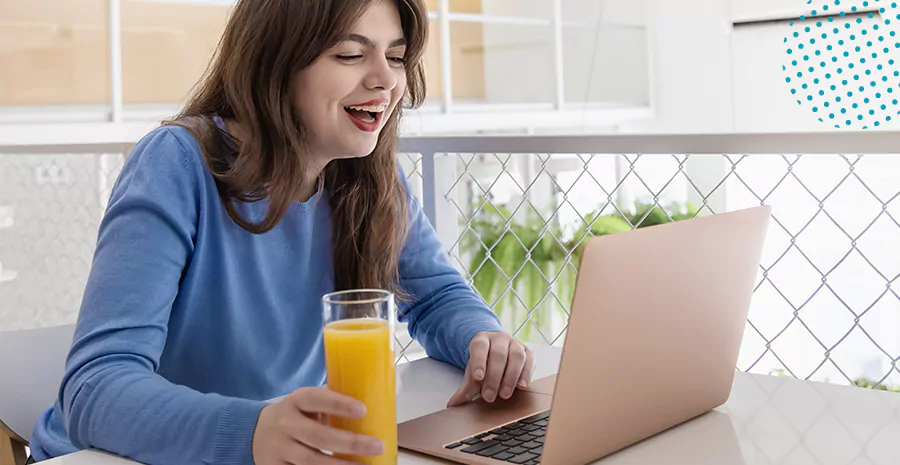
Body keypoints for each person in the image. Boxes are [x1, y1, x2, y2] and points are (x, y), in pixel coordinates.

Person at [27, 0, 535, 463]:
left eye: (397, 57)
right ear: (277, 63)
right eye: (349, 55)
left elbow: (436, 296)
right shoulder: (178, 163)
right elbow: (95, 386)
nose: (386, 80)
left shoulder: (368, 175)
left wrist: (481, 339)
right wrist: (252, 431)